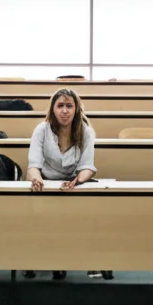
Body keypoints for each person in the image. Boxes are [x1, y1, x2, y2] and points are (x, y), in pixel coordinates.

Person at [26, 88, 108, 280]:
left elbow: (87, 167)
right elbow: (33, 166)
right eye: (60, 106)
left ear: (76, 109)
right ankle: (35, 260)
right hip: (45, 184)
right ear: (53, 109)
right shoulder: (41, 129)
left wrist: (76, 181)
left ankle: (80, 261)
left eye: (69, 106)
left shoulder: (86, 132)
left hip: (74, 183)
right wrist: (36, 178)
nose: (64, 111)